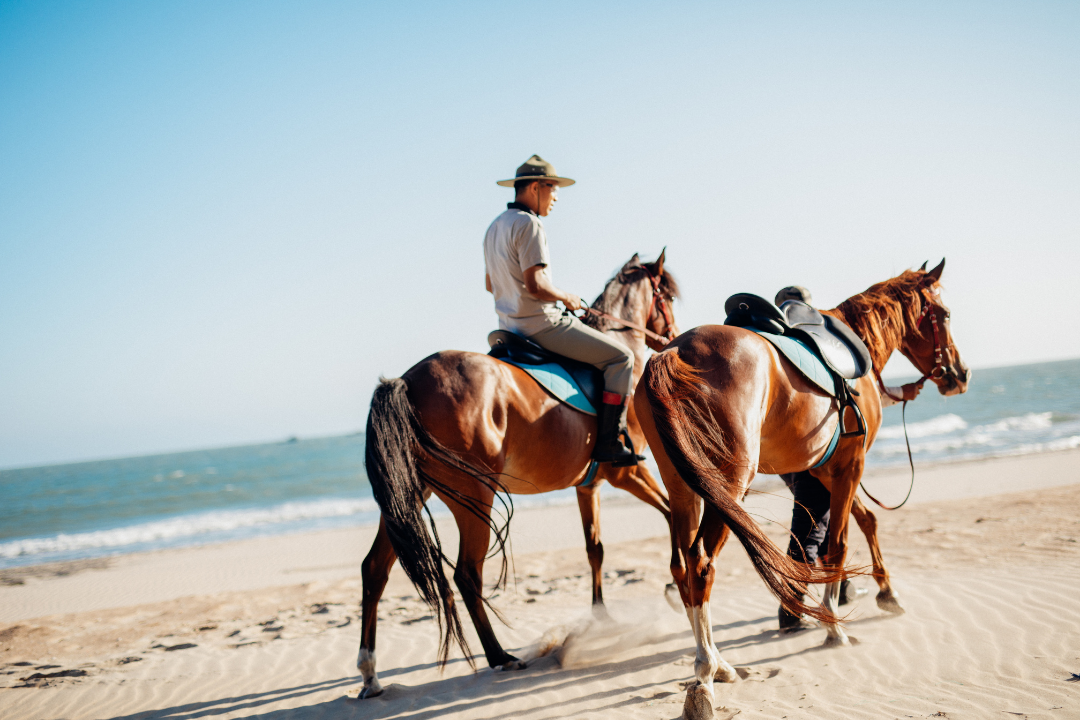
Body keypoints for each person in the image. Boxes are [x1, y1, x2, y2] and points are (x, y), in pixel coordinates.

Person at [772, 285, 922, 633]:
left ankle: (839, 591)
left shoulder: (786, 348)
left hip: (790, 451)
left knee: (818, 524)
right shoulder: (819, 343)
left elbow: (853, 397)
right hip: (817, 448)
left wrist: (899, 393)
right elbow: (844, 395)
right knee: (812, 527)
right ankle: (791, 611)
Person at [483, 155, 640, 466]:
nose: (555, 197)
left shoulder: (493, 228)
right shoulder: (529, 224)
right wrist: (566, 297)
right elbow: (536, 285)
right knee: (622, 358)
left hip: (508, 328)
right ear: (537, 188)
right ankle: (610, 440)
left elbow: (491, 285)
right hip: (542, 325)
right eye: (552, 188)